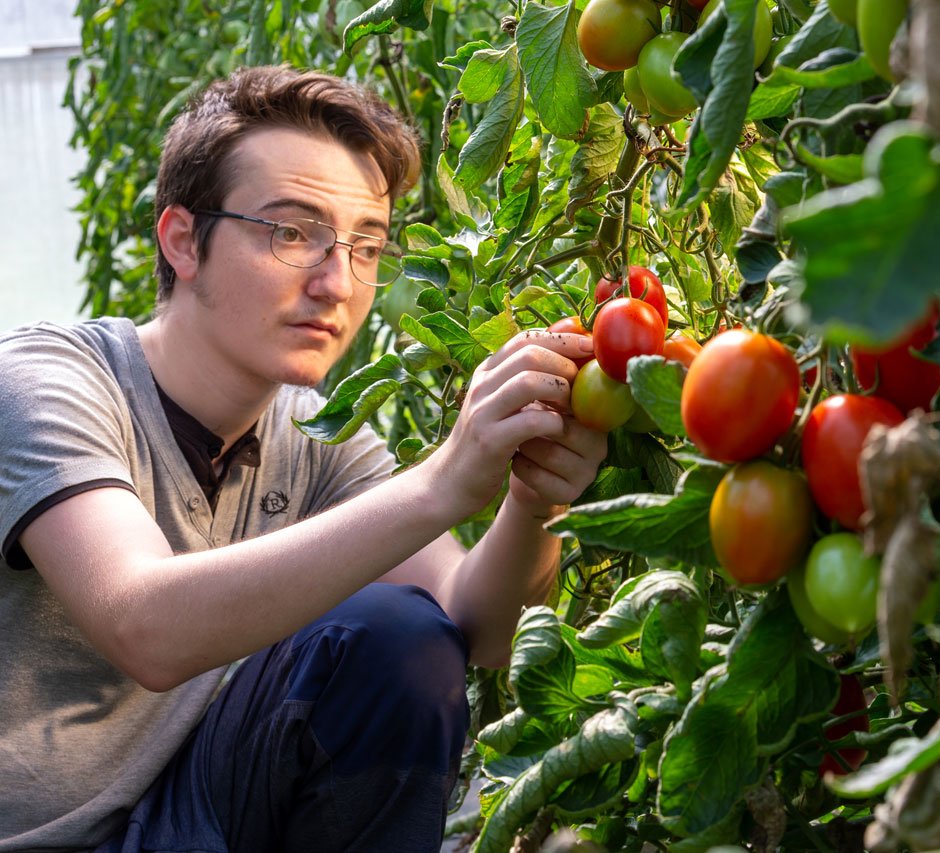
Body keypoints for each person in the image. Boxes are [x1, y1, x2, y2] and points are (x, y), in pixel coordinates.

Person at [0, 65, 607, 852]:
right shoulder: (49, 380)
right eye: (293, 232)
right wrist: (442, 480)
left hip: (182, 817)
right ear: (182, 239)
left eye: (366, 244)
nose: (338, 282)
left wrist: (533, 496)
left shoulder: (316, 434)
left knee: (400, 639)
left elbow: (478, 626)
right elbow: (143, 623)